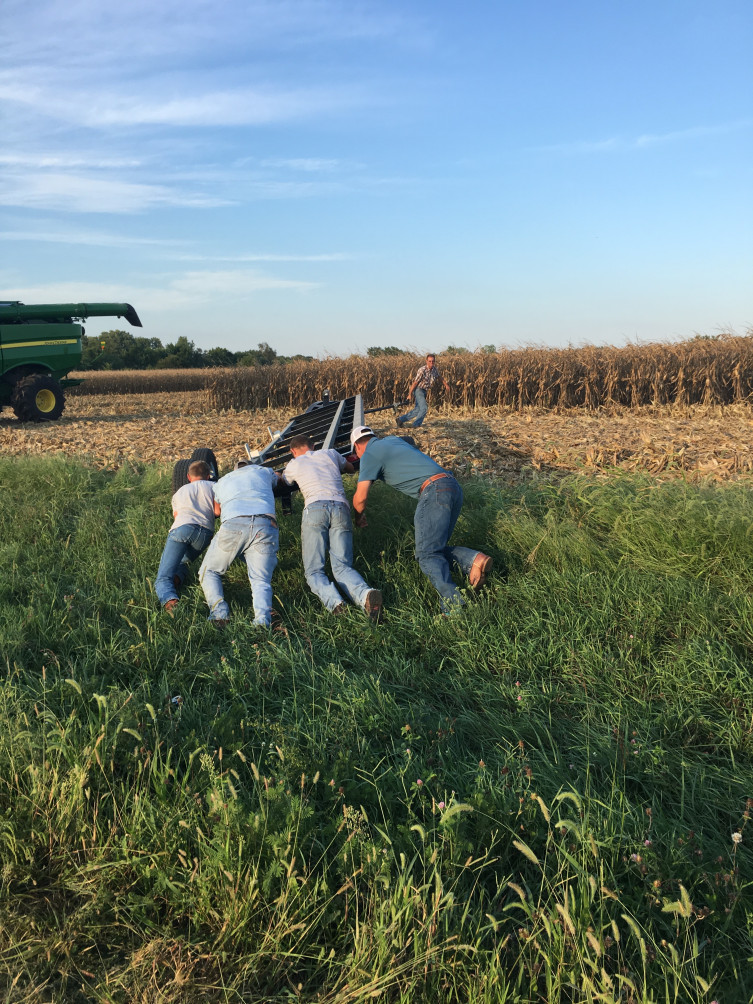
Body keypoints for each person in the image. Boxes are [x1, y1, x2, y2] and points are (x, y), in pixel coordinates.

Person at [350, 425, 492, 613]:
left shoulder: (369, 454)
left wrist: (358, 518)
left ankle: (453, 607)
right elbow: (409, 441)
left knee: (426, 554)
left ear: (357, 447)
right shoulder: (392, 440)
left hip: (434, 490)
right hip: (452, 486)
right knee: (435, 548)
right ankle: (474, 559)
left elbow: (360, 498)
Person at [283, 435, 383, 620]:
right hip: (340, 507)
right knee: (342, 567)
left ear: (293, 451)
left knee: (314, 570)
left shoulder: (293, 463)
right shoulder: (330, 453)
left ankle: (336, 604)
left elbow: (284, 482)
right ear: (313, 446)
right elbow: (350, 468)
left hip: (314, 507)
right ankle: (365, 595)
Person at [199, 460, 281, 627]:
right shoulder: (263, 471)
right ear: (251, 466)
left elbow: (217, 509)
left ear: (234, 470)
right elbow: (279, 479)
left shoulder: (222, 481)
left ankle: (219, 615)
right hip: (265, 524)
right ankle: (262, 621)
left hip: (233, 523)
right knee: (260, 579)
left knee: (209, 571)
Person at [155, 460, 216, 614]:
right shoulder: (214, 486)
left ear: (189, 476)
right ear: (208, 476)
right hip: (205, 534)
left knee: (162, 578)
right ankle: (176, 583)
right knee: (182, 563)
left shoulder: (180, 492)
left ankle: (173, 606)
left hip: (182, 529)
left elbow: (177, 516)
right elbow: (217, 511)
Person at [397, 353, 451, 429]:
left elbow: (439, 377)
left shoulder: (434, 370)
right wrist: (409, 394)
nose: (431, 363)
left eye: (433, 361)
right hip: (418, 390)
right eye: (429, 361)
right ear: (426, 361)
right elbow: (415, 383)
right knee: (424, 408)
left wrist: (446, 385)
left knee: (418, 409)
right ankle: (416, 425)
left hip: (424, 391)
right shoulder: (422, 370)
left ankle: (400, 420)